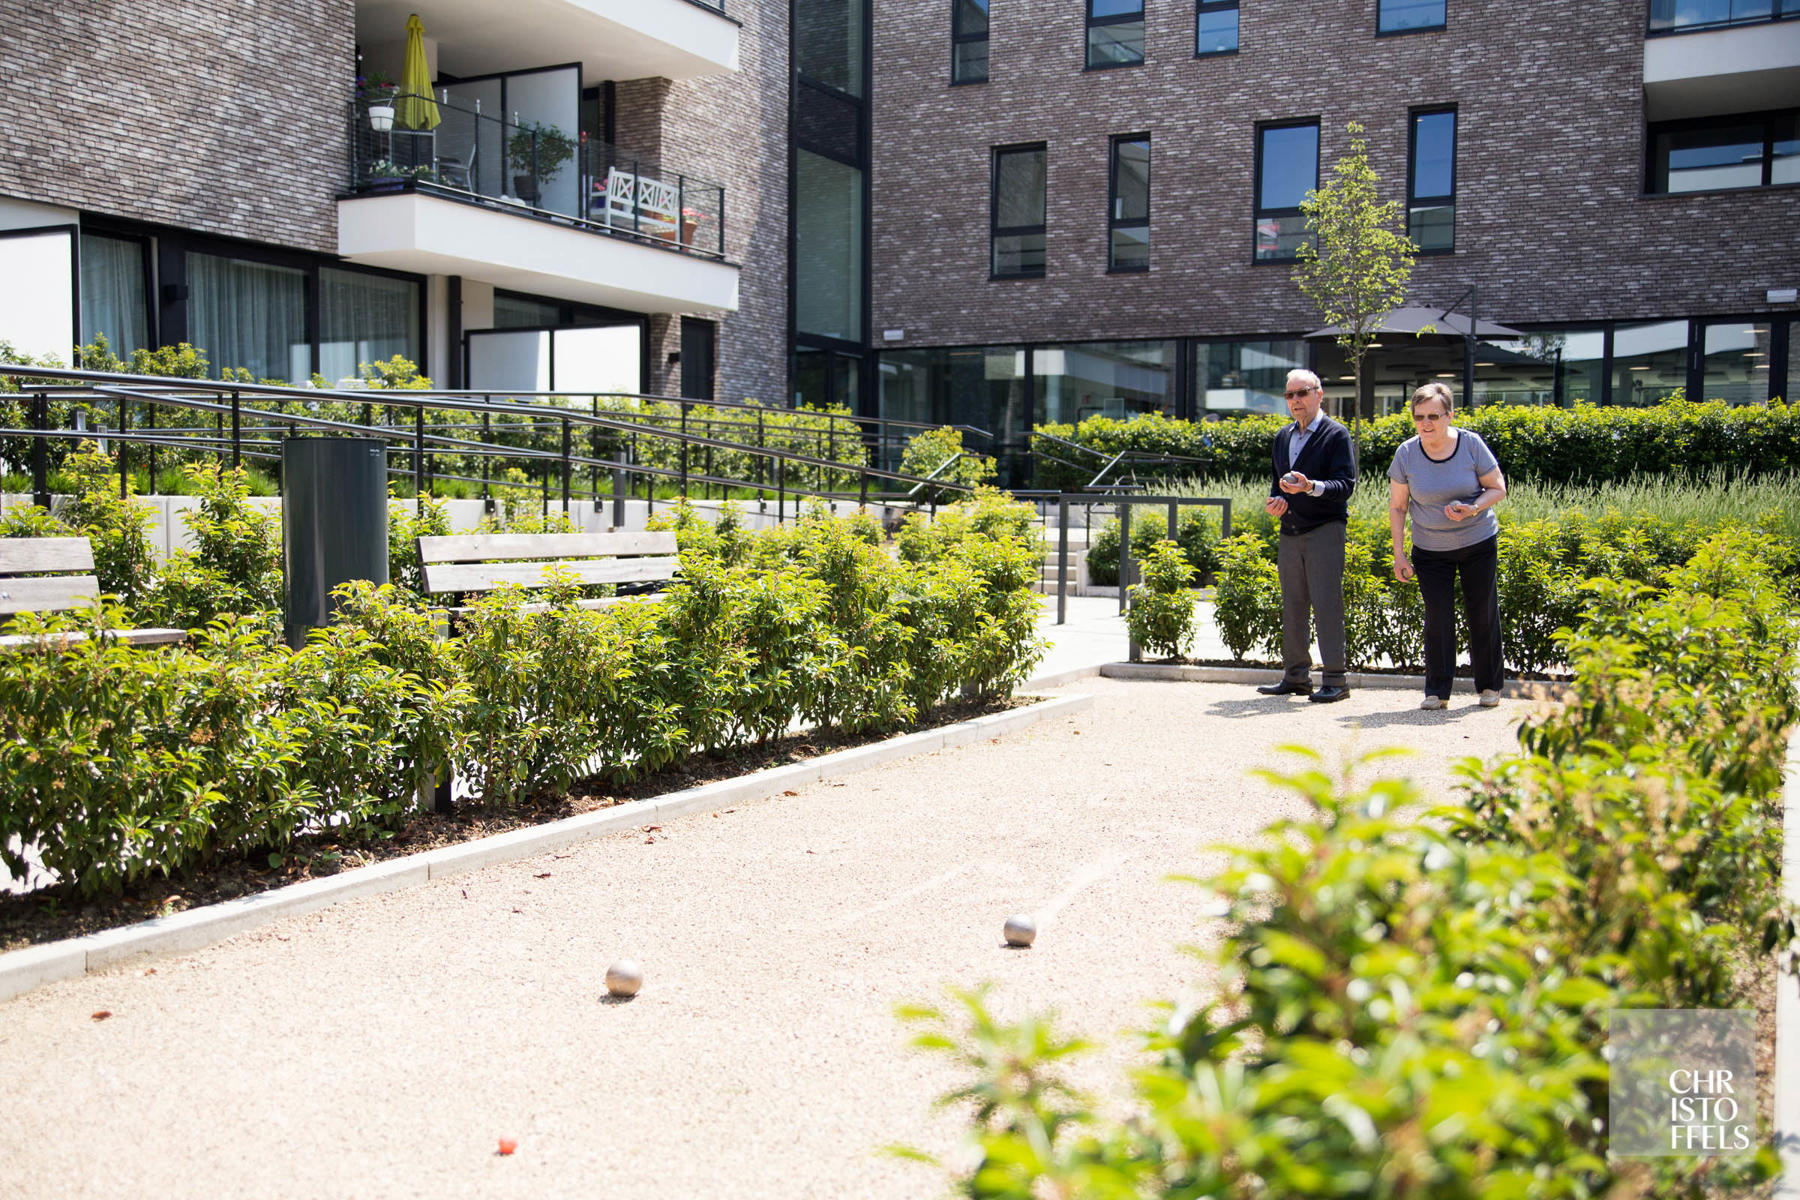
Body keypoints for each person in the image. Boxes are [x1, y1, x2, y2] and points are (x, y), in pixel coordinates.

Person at [1387, 381, 1507, 710]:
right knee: (1438, 617)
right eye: (1419, 417)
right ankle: (1437, 692)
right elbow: (1398, 507)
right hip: (1429, 549)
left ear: (1449, 415)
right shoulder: (1407, 453)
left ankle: (1489, 686)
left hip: (1477, 540)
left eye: (1433, 416)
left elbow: (1498, 488)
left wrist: (1474, 507)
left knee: (1481, 611)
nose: (1426, 423)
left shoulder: (1471, 445)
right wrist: (1399, 553)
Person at [1256, 368, 1357, 703]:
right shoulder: (1283, 437)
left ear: (1319, 394)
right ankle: (1296, 677)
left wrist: (1311, 487)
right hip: (1291, 531)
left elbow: (1346, 486)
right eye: (1290, 395)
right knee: (1293, 606)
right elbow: (1278, 483)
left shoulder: (1336, 434)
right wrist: (1277, 501)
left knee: (1327, 605)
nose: (1296, 401)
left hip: (1325, 530)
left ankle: (1336, 679)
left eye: (1302, 393)